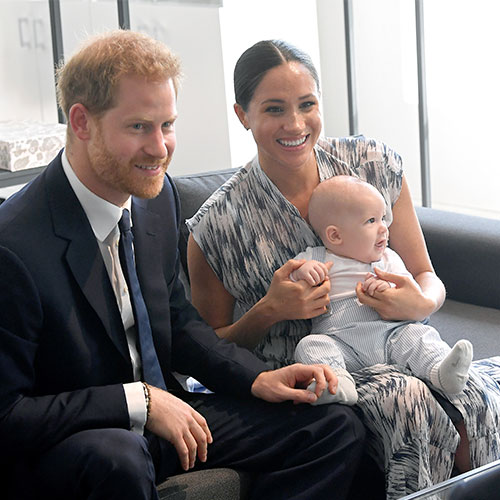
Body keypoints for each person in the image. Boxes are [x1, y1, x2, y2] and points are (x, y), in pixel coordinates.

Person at [0, 31, 368, 500]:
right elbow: (7, 415)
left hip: (164, 411)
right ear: (81, 122)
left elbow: (178, 320)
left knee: (332, 426)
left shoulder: (157, 199)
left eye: (167, 125)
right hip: (78, 441)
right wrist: (141, 401)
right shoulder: (13, 246)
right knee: (119, 460)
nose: (160, 148)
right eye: (139, 127)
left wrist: (255, 377)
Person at [186, 39, 500, 498]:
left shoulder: (371, 164)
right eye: (274, 109)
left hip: (400, 340)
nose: (295, 124)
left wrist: (421, 301)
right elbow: (205, 351)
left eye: (307, 104)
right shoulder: (217, 225)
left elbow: (427, 275)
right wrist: (269, 310)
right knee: (407, 402)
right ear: (242, 115)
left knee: (472, 395)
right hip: (323, 374)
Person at [290, 175, 473, 405]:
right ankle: (338, 383)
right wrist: (303, 272)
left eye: (384, 218)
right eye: (371, 221)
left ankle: (441, 371)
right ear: (335, 235)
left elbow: (410, 292)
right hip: (341, 342)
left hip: (391, 336)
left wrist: (388, 289)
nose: (384, 228)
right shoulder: (316, 258)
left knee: (418, 336)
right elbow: (288, 276)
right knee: (310, 346)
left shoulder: (388, 258)